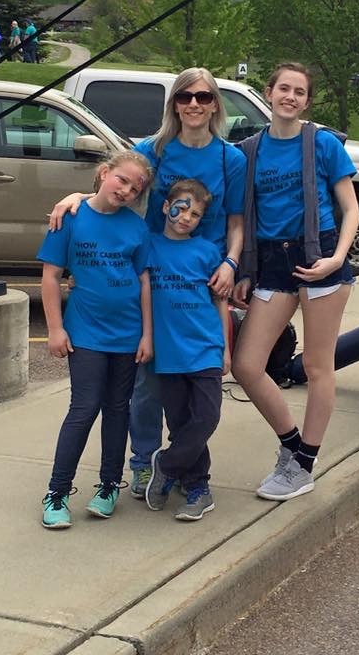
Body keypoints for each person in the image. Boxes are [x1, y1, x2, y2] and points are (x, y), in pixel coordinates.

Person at [48, 67, 246, 496]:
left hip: (203, 278)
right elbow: (118, 184)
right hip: (154, 272)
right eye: (185, 96)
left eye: (204, 97)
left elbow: (236, 221)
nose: (194, 104)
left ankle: (180, 465)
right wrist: (77, 197)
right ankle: (143, 461)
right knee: (149, 380)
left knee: (195, 387)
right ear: (174, 103)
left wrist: (231, 262)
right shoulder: (153, 149)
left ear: (215, 105)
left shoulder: (231, 158)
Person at [232, 62, 359, 501]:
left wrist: (337, 259)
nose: (290, 96)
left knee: (316, 366)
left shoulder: (322, 143)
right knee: (246, 365)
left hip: (319, 256)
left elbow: (351, 209)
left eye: (299, 91)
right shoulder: (249, 150)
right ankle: (291, 445)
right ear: (268, 93)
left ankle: (304, 464)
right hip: (271, 262)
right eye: (283, 88)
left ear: (307, 100)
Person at [38, 150, 153, 530]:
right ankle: (57, 491)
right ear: (105, 173)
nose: (126, 190)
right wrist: (55, 328)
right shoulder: (69, 218)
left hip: (127, 334)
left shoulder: (136, 228)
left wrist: (147, 335)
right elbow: (52, 276)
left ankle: (108, 486)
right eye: (122, 179)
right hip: (85, 331)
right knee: (84, 407)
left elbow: (143, 282)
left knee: (118, 409)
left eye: (136, 188)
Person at [144, 178, 231, 521]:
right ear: (166, 207)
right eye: (181, 208)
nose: (186, 217)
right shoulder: (148, 246)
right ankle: (198, 488)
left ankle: (166, 465)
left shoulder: (208, 252)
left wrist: (224, 347)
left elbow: (220, 302)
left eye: (195, 214)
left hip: (205, 347)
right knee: (180, 424)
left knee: (207, 417)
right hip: (168, 353)